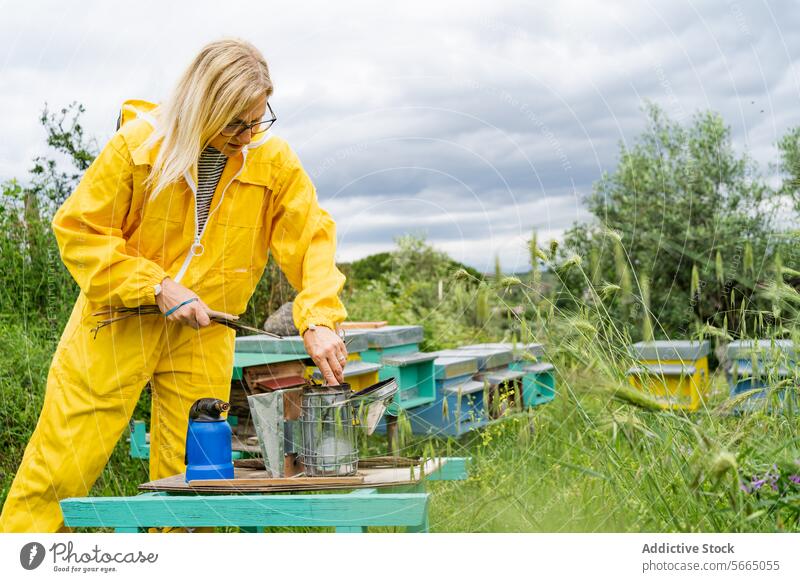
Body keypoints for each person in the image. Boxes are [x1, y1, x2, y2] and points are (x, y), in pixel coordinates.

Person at [0, 38, 348, 532]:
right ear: (201, 108)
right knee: (60, 465)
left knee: (196, 477)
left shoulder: (274, 162)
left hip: (204, 333)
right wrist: (157, 284)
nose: (248, 135)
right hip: (115, 324)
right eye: (235, 123)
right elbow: (79, 230)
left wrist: (317, 317)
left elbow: (312, 237)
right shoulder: (139, 146)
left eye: (258, 119)